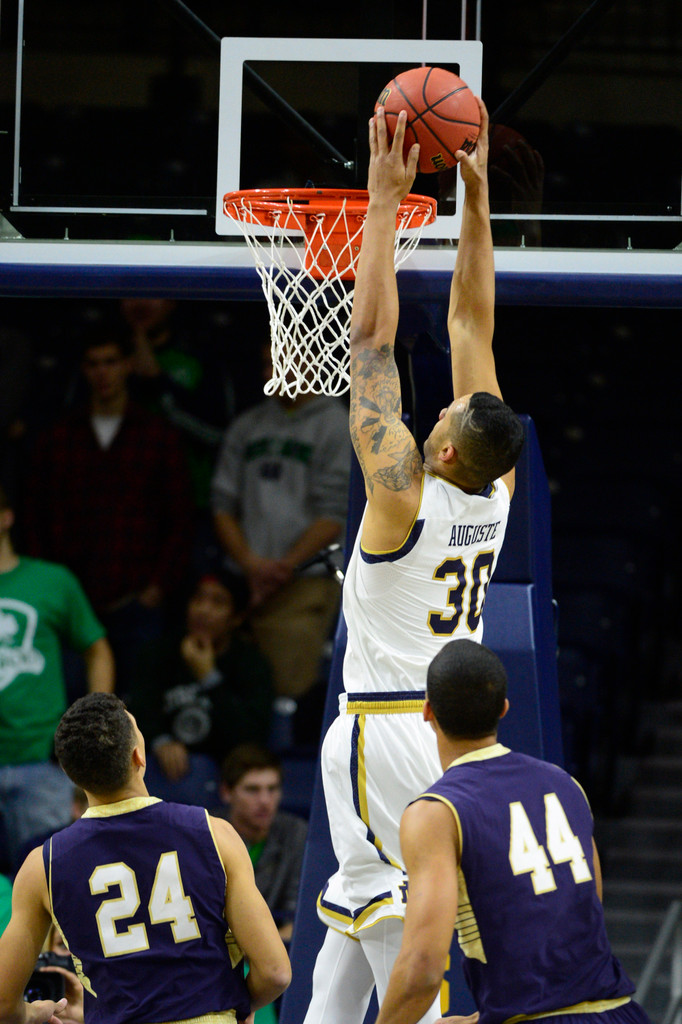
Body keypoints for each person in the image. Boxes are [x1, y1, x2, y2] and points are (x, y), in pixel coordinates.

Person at [303, 100, 524, 1024]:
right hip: (431, 736)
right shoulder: (492, 492)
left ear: (441, 452)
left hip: (381, 732)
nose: (434, 413)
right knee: (347, 935)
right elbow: (472, 321)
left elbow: (372, 348)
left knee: (402, 943)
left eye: (436, 422)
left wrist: (383, 202)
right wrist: (474, 201)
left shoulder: (401, 496)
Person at [375, 639, 651, 1024]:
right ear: (503, 709)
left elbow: (423, 967)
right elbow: (583, 915)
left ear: (427, 711)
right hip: (619, 1013)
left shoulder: (434, 813)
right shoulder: (566, 784)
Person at [0, 692, 291, 1024]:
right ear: (139, 757)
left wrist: (32, 1013)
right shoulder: (215, 834)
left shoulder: (42, 866)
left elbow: (4, 1004)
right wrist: (233, 1004)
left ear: (71, 776)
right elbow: (275, 972)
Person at [22, 327, 194, 693]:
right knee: (71, 712)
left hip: (137, 600)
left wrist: (158, 587)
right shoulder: (58, 437)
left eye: (111, 362)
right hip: (69, 600)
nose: (103, 372)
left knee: (135, 711)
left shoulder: (158, 435)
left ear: (128, 365)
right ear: (83, 371)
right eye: (93, 364)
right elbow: (35, 515)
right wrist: (48, 584)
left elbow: (180, 518)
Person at [211, 344, 350, 701]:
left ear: (310, 362)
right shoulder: (248, 424)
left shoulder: (337, 424)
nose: (269, 373)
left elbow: (334, 513)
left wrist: (283, 567)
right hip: (243, 583)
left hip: (304, 583)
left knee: (284, 691)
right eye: (265, 364)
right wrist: (249, 564)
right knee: (231, 688)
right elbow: (222, 504)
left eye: (280, 364)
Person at [0, 485, 115, 874]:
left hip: (42, 761)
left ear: (7, 517)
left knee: (53, 883)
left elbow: (96, 647)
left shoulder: (51, 581)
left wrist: (95, 726)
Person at [129, 568, 274, 807]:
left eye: (218, 603)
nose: (203, 610)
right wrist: (160, 740)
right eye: (198, 599)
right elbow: (139, 710)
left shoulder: (251, 664)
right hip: (164, 768)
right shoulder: (158, 653)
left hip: (222, 774)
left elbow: (250, 737)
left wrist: (208, 677)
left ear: (236, 617)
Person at [214, 744, 308, 945]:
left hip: (274, 949)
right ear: (226, 792)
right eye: (252, 790)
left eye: (272, 789)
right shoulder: (206, 831)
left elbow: (299, 919)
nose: (265, 800)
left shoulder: (296, 832)